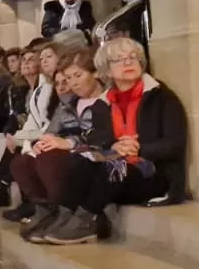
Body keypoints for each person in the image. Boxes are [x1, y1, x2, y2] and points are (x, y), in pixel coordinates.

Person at [37, 37, 186, 244]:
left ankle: (85, 220)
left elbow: (175, 144)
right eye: (119, 60)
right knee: (78, 162)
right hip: (118, 172)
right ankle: (64, 216)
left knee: (114, 167)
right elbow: (100, 139)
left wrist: (138, 149)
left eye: (133, 58)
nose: (128, 63)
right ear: (106, 69)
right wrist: (113, 146)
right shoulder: (103, 103)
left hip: (152, 174)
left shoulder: (160, 97)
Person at [11, 49, 113, 238]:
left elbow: (101, 137)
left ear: (95, 73)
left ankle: (69, 211)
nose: (73, 83)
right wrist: (42, 143)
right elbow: (51, 132)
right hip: (71, 151)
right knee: (22, 162)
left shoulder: (106, 100)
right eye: (68, 78)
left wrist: (68, 143)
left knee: (50, 159)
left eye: (78, 75)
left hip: (93, 155)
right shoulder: (67, 104)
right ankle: (48, 212)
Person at [0, 41, 62, 207]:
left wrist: (18, 137)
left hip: (49, 135)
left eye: (47, 57)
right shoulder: (33, 89)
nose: (27, 63)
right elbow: (25, 118)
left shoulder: (50, 86)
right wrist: (15, 135)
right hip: (34, 132)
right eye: (25, 60)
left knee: (8, 147)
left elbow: (48, 120)